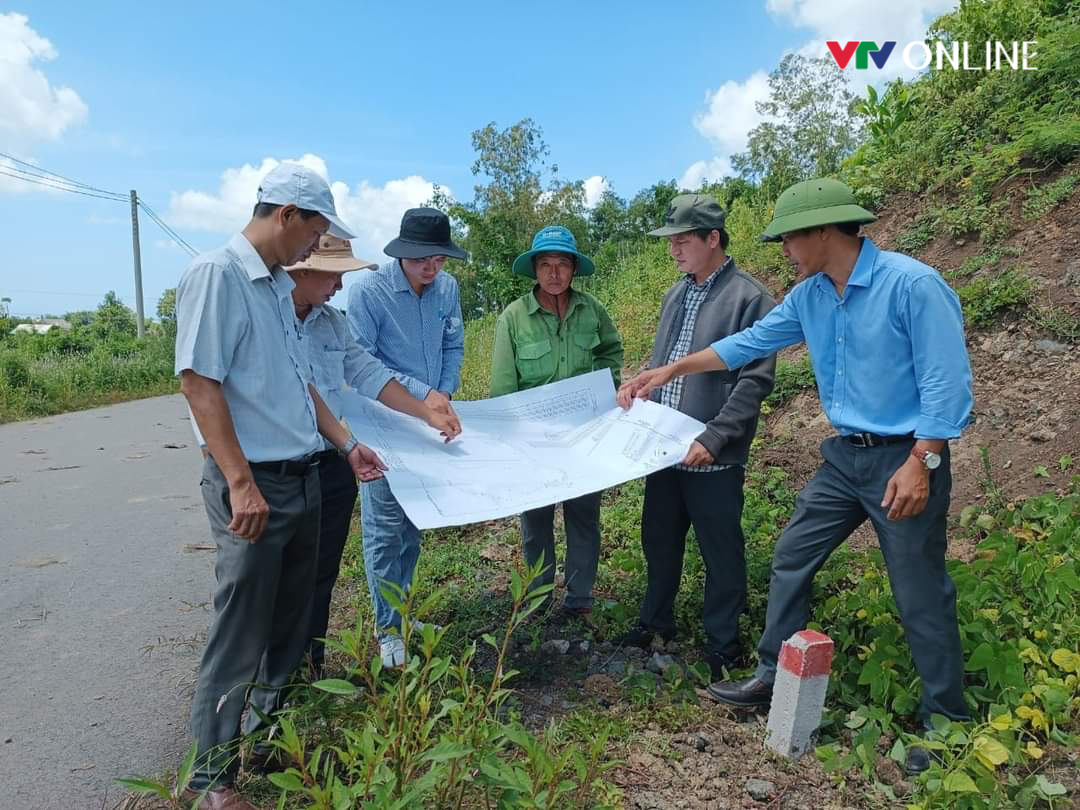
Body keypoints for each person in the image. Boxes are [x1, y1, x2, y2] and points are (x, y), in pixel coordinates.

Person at [618, 178, 973, 776]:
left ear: (824, 231)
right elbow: (747, 345)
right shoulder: (811, 296)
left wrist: (923, 460)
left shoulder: (911, 285)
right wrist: (669, 369)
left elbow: (947, 381)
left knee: (918, 591)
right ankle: (767, 674)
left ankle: (947, 721)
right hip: (844, 458)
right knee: (791, 556)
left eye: (788, 238)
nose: (783, 249)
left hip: (905, 457)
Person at [175, 162, 386, 809]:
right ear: (286, 213)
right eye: (314, 230)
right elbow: (198, 381)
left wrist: (347, 444)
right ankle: (211, 777)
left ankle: (271, 742)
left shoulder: (272, 288)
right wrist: (240, 481)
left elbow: (300, 385)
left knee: (293, 625)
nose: (313, 246)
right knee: (242, 628)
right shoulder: (219, 275)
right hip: (255, 483)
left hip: (303, 478)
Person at [283, 235, 461, 678]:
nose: (340, 287)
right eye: (333, 275)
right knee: (285, 572)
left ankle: (310, 667)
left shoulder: (330, 324)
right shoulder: (270, 319)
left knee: (325, 568)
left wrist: (426, 411)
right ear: (300, 269)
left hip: (336, 456)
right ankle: (275, 676)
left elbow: (365, 371)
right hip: (288, 461)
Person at [616, 195, 776, 678]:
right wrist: (641, 383)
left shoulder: (750, 298)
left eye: (683, 241)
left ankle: (723, 645)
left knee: (720, 548)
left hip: (714, 454)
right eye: (672, 242)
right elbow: (667, 361)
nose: (675, 251)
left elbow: (754, 380)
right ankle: (654, 622)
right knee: (659, 539)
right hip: (665, 449)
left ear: (713, 238)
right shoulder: (675, 295)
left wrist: (716, 437)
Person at [346, 207, 466, 668]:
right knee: (383, 528)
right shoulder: (369, 293)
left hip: (430, 425)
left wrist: (445, 392)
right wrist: (423, 393)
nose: (431, 269)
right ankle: (386, 629)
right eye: (422, 261)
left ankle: (404, 611)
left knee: (414, 524)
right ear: (402, 255)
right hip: (381, 422)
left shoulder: (447, 290)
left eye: (439, 259)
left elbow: (453, 344)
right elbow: (361, 362)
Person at [490, 226, 624, 616]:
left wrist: (604, 390)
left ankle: (580, 598)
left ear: (573, 270)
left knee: (584, 516)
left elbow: (611, 351)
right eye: (545, 265)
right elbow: (503, 386)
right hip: (534, 439)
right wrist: (514, 439)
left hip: (584, 435)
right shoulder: (513, 319)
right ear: (534, 269)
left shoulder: (592, 310)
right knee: (536, 522)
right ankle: (538, 599)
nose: (553, 273)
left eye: (562, 264)